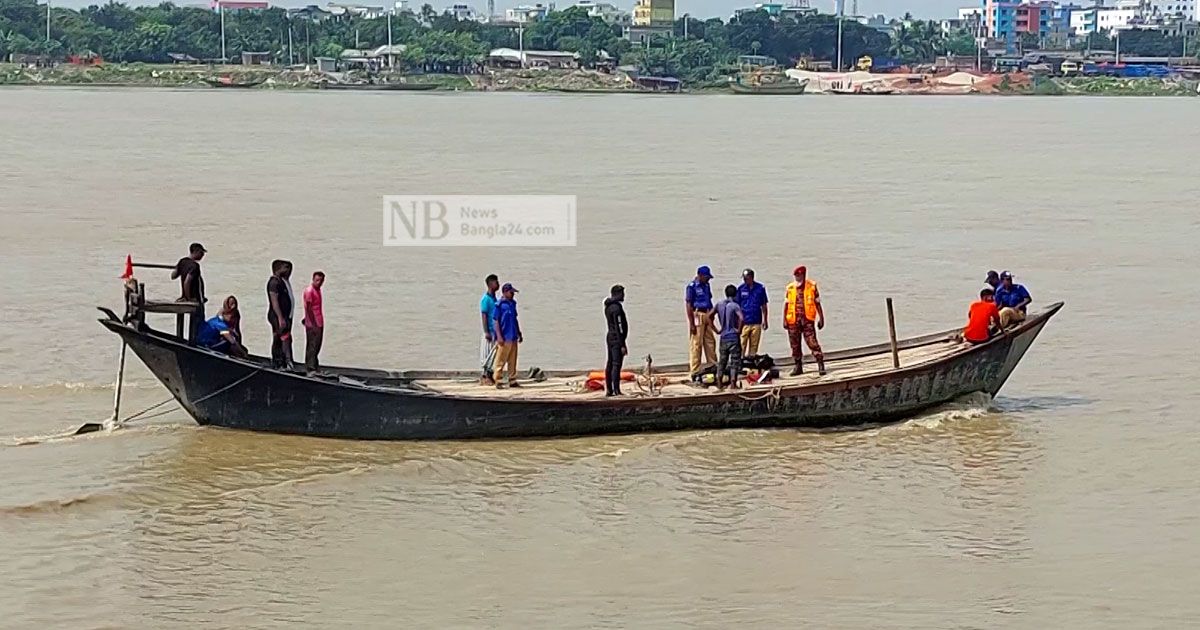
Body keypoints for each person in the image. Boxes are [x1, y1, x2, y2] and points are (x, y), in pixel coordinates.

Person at [782, 265, 826, 376]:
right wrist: (784, 319)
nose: (797, 278)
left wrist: (821, 318)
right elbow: (786, 305)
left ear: (803, 275)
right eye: (796, 276)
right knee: (795, 345)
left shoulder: (812, 286)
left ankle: (820, 364)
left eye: (799, 275)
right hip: (793, 320)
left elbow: (817, 303)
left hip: (807, 320)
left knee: (812, 342)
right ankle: (798, 366)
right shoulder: (790, 288)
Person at [171, 242, 207, 343]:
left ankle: (191, 341)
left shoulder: (182, 262)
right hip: (195, 300)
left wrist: (178, 267)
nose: (202, 255)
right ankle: (195, 343)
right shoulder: (195, 266)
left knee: (196, 323)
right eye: (201, 253)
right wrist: (189, 298)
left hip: (186, 297)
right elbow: (187, 281)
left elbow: (173, 276)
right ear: (195, 252)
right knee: (198, 323)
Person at [685, 265, 717, 377]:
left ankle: (713, 366)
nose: (708, 279)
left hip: (707, 313)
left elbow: (709, 299)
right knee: (696, 343)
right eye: (706, 277)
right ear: (700, 275)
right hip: (697, 314)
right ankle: (695, 371)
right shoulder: (692, 286)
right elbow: (688, 305)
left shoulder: (707, 285)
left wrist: (712, 315)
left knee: (710, 341)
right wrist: (691, 323)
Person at [492, 282, 523, 388]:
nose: (512, 294)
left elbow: (515, 319)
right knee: (501, 359)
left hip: (513, 334)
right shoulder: (499, 305)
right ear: (505, 292)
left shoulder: (513, 304)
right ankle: (498, 379)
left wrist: (519, 332)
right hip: (504, 336)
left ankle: (512, 378)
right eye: (511, 292)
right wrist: (499, 336)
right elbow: (496, 321)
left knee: (512, 359)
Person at [266, 259, 295, 370]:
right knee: (282, 337)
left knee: (282, 337)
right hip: (277, 316)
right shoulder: (274, 282)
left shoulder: (283, 281)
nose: (288, 271)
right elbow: (274, 301)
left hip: (286, 315)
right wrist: (280, 317)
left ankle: (282, 361)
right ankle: (282, 361)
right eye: (286, 268)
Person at [715, 284, 744, 390]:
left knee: (722, 361)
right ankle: (732, 383)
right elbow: (741, 318)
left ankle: (719, 382)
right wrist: (739, 330)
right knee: (734, 361)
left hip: (723, 336)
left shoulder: (719, 304)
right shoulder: (734, 305)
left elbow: (709, 316)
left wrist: (716, 329)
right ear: (735, 294)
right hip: (733, 337)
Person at [735, 268, 769, 356]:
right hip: (744, 322)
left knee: (754, 346)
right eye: (744, 278)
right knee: (741, 345)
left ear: (751, 277)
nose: (745, 280)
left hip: (756, 321)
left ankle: (751, 366)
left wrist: (765, 320)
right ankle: (740, 365)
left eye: (746, 278)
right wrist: (736, 323)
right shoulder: (741, 289)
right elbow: (736, 306)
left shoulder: (760, 288)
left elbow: (764, 305)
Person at [603, 284, 629, 397]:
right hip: (616, 339)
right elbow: (619, 326)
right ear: (617, 294)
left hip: (610, 337)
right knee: (616, 364)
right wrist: (622, 344)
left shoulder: (608, 306)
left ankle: (609, 390)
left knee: (610, 363)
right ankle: (616, 390)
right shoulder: (616, 308)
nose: (624, 296)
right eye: (622, 293)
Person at [303, 271, 325, 375]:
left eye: (320, 281)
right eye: (317, 280)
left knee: (317, 345)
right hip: (313, 323)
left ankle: (315, 365)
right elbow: (308, 308)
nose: (319, 282)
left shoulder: (318, 290)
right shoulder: (309, 291)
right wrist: (312, 323)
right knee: (312, 345)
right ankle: (310, 367)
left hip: (319, 321)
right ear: (313, 279)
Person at [479, 274, 500, 385]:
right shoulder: (486, 299)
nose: (498, 284)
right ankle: (484, 376)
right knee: (486, 355)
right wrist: (486, 331)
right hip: (489, 332)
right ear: (490, 284)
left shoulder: (494, 299)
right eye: (496, 282)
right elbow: (484, 315)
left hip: (495, 332)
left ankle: (490, 375)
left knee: (493, 355)